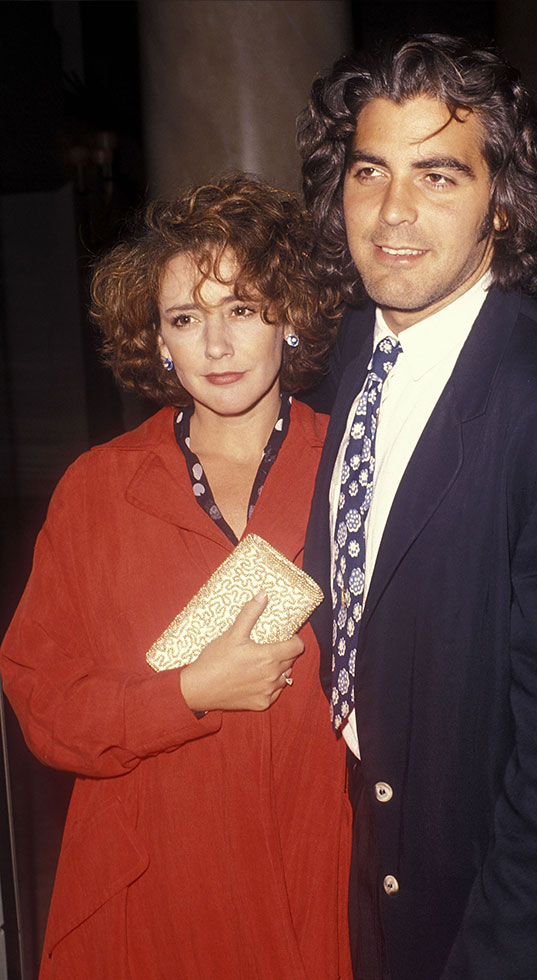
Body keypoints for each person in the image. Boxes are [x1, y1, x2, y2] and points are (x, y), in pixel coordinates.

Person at [297, 34, 537, 980]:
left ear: (502, 206)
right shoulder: (352, 361)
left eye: (437, 176)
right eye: (368, 171)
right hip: (382, 881)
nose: (391, 212)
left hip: (500, 925)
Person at [0, 174, 352, 979]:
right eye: (186, 320)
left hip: (317, 853)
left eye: (242, 309)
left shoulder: (353, 464)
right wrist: (188, 691)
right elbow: (44, 707)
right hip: (155, 870)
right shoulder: (98, 489)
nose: (216, 347)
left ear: (289, 316)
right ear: (158, 339)